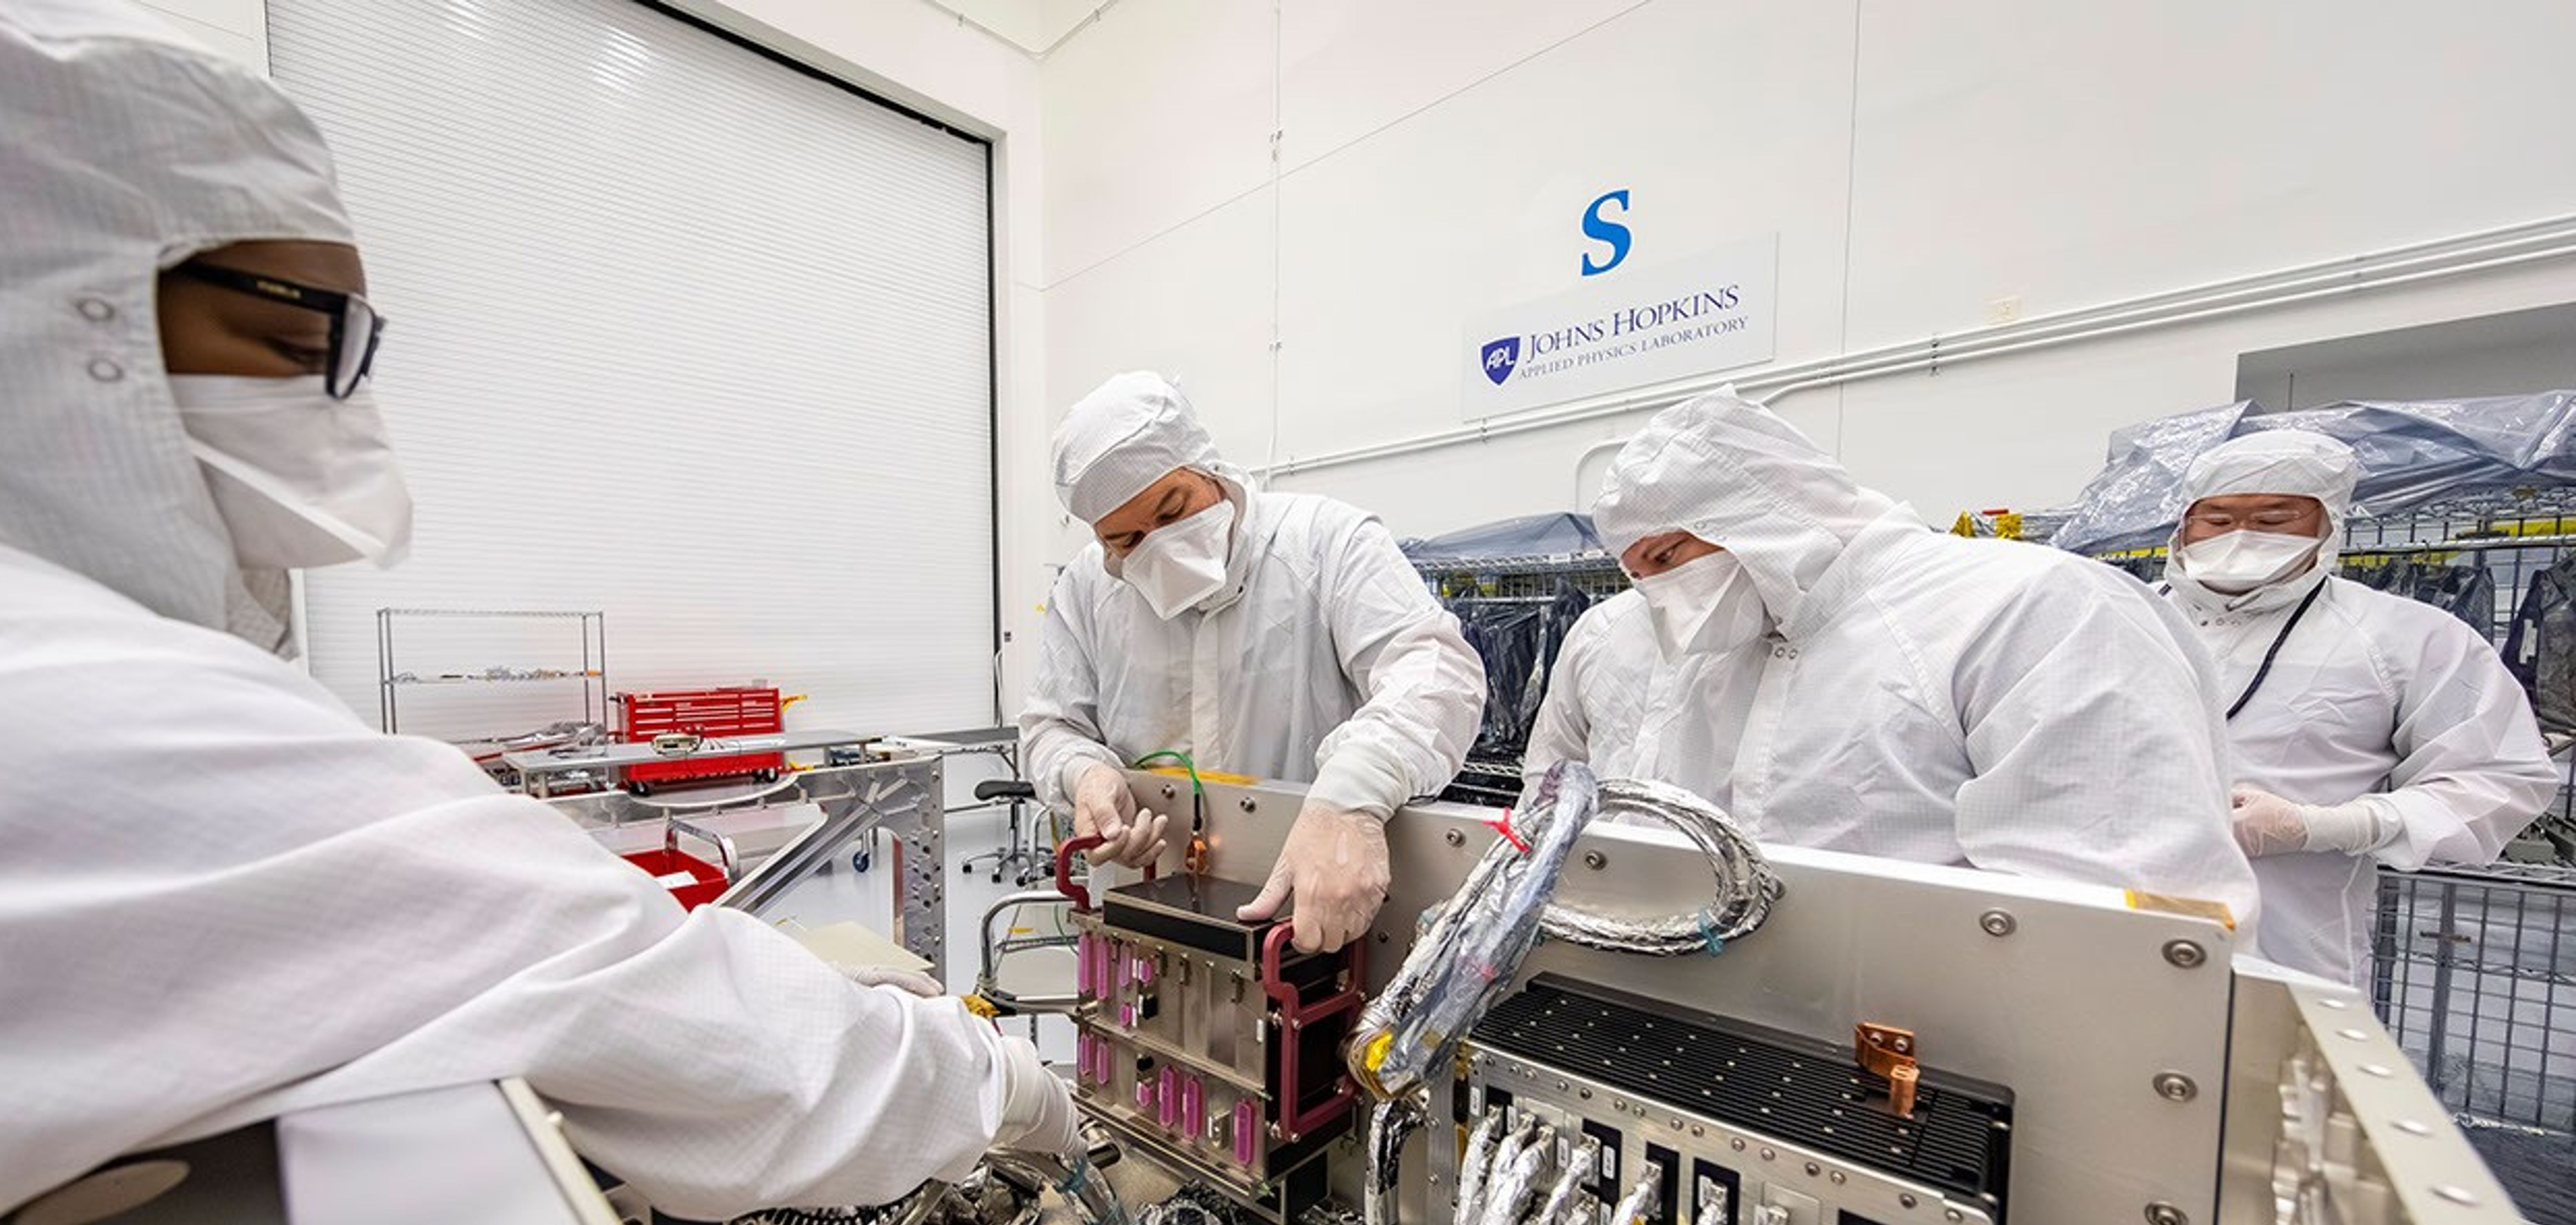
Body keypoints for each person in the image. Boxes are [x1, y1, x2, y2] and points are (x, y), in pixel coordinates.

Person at [0, 0, 1079, 1225]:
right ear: (57, 315)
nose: (336, 401)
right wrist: (1003, 1084)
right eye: (296, 335)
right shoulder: (56, 695)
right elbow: (669, 1013)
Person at [1524, 390, 2258, 928]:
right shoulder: (1708, 649)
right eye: (1635, 572)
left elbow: (2119, 923)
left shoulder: (2033, 611)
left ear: (1757, 513)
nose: (1655, 591)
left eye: (1667, 555)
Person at [1021, 372, 1485, 953]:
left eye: (1172, 511)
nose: (1157, 546)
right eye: (1126, 541)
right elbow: (1052, 727)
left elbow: (1437, 673)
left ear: (1208, 466)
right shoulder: (1089, 588)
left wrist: (1355, 792)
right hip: (1144, 903)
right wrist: (1085, 774)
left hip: (1306, 910)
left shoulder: (1324, 543)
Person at [2162, 431, 2555, 986]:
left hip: (2288, 951)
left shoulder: (2407, 637)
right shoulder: (2120, 620)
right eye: (2218, 522)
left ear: (2328, 527)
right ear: (2184, 527)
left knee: (2266, 1066)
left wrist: (2319, 827)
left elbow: (2500, 778)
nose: (2243, 537)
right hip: (2094, 927)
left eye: (2275, 521)